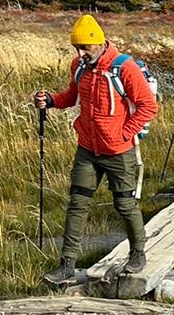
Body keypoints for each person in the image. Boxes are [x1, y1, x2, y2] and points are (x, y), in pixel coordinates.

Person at [33, 15, 158, 285]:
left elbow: (148, 106)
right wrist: (51, 100)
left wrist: (123, 133)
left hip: (118, 151)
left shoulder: (124, 68)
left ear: (99, 43)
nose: (80, 54)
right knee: (77, 204)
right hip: (87, 149)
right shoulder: (79, 66)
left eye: (84, 48)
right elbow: (72, 96)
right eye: (76, 48)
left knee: (125, 204)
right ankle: (66, 265)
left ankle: (138, 253)